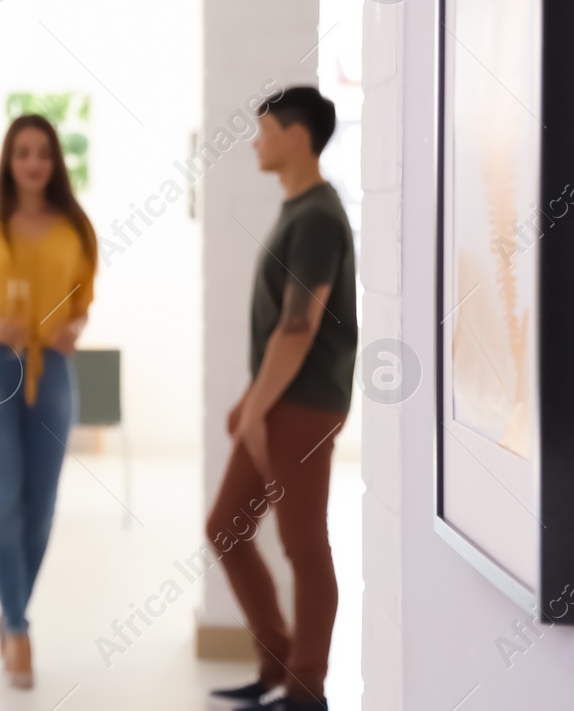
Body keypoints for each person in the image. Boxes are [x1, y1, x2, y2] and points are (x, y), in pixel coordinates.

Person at [207, 85, 357, 711]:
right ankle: (276, 667)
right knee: (227, 529)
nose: (255, 142)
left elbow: (299, 329)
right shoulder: (300, 210)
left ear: (296, 136)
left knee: (302, 544)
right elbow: (282, 332)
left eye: (263, 130)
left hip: (304, 404)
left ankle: (306, 687)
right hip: (278, 399)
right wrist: (252, 400)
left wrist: (259, 405)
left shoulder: (318, 215)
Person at [0, 113, 96, 689]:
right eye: (23, 152)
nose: (34, 163)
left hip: (52, 367)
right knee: (5, 498)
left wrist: (73, 326)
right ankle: (18, 623)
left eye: (43, 154)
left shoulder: (74, 226)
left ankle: (10, 615)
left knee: (44, 502)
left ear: (55, 163)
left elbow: (82, 297)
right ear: (9, 160)